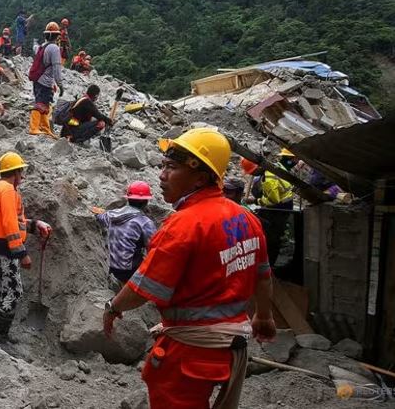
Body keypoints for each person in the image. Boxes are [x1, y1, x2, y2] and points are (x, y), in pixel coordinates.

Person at [104, 128, 275, 409]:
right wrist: (264, 317)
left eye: (171, 167)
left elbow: (143, 288)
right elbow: (263, 275)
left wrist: (113, 308)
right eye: (162, 166)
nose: (161, 175)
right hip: (232, 346)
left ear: (201, 176)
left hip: (193, 351)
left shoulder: (184, 225)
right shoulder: (246, 218)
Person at [0, 152, 52, 342]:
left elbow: (14, 221)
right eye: (21, 171)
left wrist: (35, 224)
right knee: (14, 290)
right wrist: (21, 253)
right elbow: (9, 224)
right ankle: (0, 336)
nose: (22, 176)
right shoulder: (7, 190)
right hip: (7, 248)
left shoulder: (1, 188)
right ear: (14, 172)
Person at [91, 181, 157, 291]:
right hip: (129, 271)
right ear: (146, 202)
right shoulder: (145, 223)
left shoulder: (111, 214)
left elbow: (101, 216)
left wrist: (97, 212)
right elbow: (155, 248)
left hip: (110, 266)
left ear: (128, 199)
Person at [241, 152, 294, 267]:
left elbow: (273, 200)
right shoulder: (273, 166)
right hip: (285, 202)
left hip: (280, 208)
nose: (253, 174)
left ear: (258, 168)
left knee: (272, 235)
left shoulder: (269, 179)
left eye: (253, 172)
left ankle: (270, 262)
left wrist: (255, 201)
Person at [28, 21, 64, 138]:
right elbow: (57, 67)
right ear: (57, 35)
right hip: (45, 80)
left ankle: (44, 127)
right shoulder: (54, 48)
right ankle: (34, 127)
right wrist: (60, 84)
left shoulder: (43, 46)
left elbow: (35, 48)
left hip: (38, 79)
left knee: (45, 104)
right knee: (40, 103)